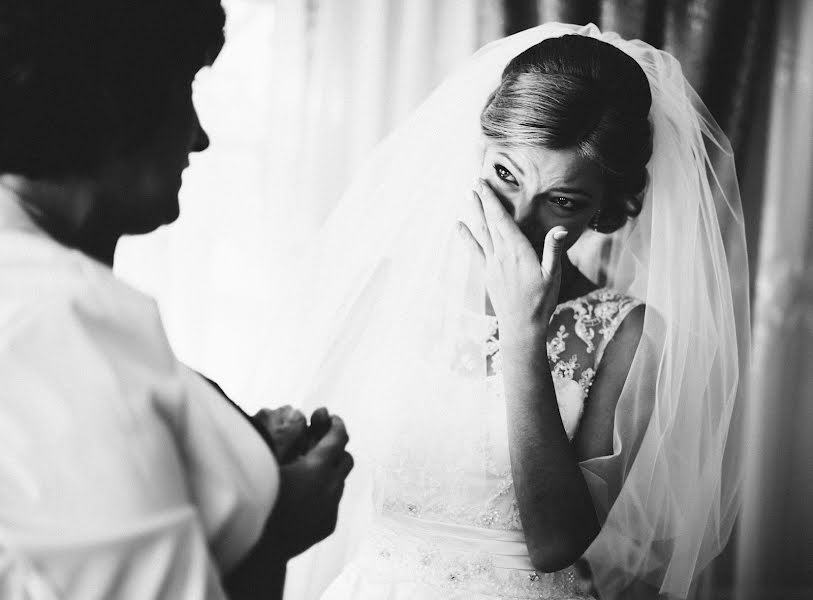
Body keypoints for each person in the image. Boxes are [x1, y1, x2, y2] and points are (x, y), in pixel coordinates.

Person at [264, 22, 750, 600]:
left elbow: (555, 543)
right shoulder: (393, 284)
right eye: (505, 175)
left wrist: (524, 334)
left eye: (562, 201)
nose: (518, 223)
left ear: (604, 209)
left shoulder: (628, 336)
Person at [0, 1, 352, 598]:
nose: (201, 137)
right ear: (116, 98)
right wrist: (275, 530)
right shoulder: (67, 317)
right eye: (187, 87)